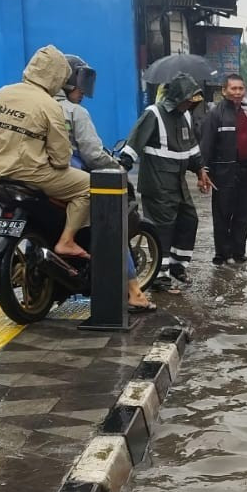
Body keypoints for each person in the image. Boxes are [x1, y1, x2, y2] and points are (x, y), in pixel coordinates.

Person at [56, 54, 155, 312]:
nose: (82, 91)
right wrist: (116, 166)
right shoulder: (75, 112)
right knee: (112, 228)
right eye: (80, 83)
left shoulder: (38, 105)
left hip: (33, 177)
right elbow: (92, 153)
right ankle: (134, 291)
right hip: (68, 179)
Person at [0, 45, 90, 259]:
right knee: (88, 186)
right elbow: (61, 158)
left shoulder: (2, 93)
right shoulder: (49, 105)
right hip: (30, 174)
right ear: (58, 76)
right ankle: (66, 240)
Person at [120, 73, 212, 292]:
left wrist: (201, 171)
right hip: (157, 182)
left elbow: (192, 149)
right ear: (178, 97)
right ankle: (160, 276)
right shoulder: (154, 114)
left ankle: (177, 266)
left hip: (178, 182)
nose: (191, 103)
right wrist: (120, 169)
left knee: (189, 219)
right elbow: (134, 143)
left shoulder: (185, 117)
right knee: (162, 228)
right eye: (188, 99)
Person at [201, 74, 247, 265]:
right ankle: (222, 255)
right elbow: (206, 144)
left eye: (241, 88)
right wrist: (203, 171)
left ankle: (239, 253)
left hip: (246, 171)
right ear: (224, 91)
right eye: (233, 89)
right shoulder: (215, 114)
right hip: (223, 172)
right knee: (223, 214)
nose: (237, 92)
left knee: (243, 214)